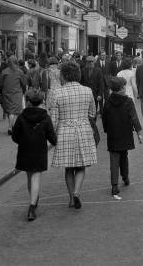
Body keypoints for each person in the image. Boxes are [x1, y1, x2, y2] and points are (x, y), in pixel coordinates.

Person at [47, 62, 97, 209]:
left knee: (68, 167)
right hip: (83, 130)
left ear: (63, 75)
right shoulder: (87, 91)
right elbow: (92, 113)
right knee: (81, 166)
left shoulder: (57, 93)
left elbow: (54, 119)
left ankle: (71, 198)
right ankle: (76, 193)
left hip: (65, 131)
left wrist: (52, 137)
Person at [11, 90, 57, 221]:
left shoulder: (21, 117)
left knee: (29, 177)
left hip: (25, 149)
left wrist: (23, 141)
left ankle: (33, 200)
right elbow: (51, 136)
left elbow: (15, 136)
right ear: (41, 102)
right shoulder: (45, 117)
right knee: (36, 177)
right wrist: (55, 142)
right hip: (39, 150)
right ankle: (32, 206)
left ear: (29, 101)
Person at [102, 77, 143, 198]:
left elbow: (105, 118)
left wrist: (106, 129)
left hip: (113, 134)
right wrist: (139, 133)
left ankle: (114, 185)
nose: (125, 88)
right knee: (124, 155)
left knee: (114, 159)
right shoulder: (128, 101)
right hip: (125, 132)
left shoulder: (108, 102)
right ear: (120, 89)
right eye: (124, 86)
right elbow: (134, 118)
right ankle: (125, 177)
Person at [0, 56, 27, 135]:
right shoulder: (20, 72)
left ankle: (12, 126)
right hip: (16, 93)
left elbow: (1, 83)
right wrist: (24, 91)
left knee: (10, 111)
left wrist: (1, 90)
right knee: (14, 111)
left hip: (6, 93)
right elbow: (23, 83)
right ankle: (10, 127)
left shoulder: (4, 71)